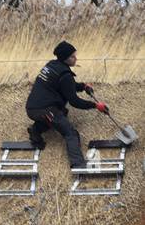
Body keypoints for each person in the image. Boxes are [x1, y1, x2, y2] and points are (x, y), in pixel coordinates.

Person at [25, 40, 106, 169]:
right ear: (65, 59)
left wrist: (83, 86)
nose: (75, 58)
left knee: (62, 113)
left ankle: (35, 129)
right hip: (45, 110)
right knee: (70, 133)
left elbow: (66, 85)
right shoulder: (65, 75)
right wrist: (95, 105)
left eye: (75, 55)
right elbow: (74, 101)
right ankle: (78, 164)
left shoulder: (52, 65)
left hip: (32, 107)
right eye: (72, 56)